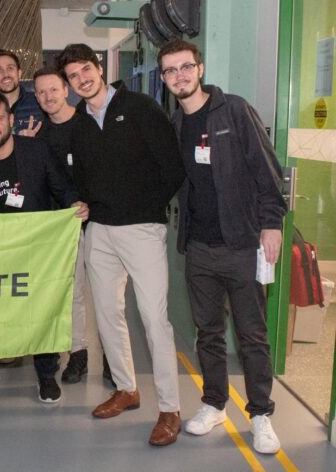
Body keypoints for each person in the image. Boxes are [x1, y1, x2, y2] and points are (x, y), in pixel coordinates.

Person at [158, 39, 286, 454]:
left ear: (200, 68)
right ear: (164, 78)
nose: (179, 76)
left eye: (185, 67)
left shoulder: (234, 110)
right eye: (170, 70)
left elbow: (267, 171)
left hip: (243, 244)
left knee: (252, 336)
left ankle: (261, 414)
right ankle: (214, 404)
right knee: (208, 333)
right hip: (199, 248)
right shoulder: (176, 125)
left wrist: (272, 224)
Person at [56, 43, 186, 446]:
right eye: (73, 76)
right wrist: (84, 204)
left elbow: (172, 167)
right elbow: (81, 178)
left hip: (142, 229)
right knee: (108, 314)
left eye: (85, 70)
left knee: (153, 318)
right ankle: (127, 389)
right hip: (99, 230)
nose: (81, 79)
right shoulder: (79, 125)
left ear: (98, 67)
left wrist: (146, 208)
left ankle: (170, 408)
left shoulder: (141, 107)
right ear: (69, 84)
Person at [0, 90, 89, 403]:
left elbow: (62, 187)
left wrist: (74, 203)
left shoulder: (36, 151)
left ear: (11, 120)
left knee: (39, 310)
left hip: (35, 249)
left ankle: (46, 373)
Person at [29, 67, 108, 385]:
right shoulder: (39, 136)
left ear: (66, 90)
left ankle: (111, 359)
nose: (47, 96)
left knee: (104, 295)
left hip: (98, 222)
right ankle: (76, 354)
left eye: (53, 89)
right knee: (68, 292)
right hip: (58, 227)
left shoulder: (89, 124)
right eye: (41, 92)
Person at [0, 49, 43, 134]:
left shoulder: (39, 102)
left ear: (19, 73)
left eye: (10, 68)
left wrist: (33, 141)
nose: (5, 74)